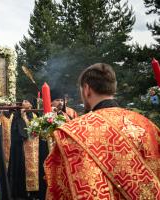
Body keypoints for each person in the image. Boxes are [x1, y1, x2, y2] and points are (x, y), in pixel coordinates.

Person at [44, 63, 160, 199]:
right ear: (112, 89)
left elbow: (59, 187)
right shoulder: (148, 126)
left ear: (86, 89)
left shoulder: (72, 132)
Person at [8, 97, 48, 200]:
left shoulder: (35, 115)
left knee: (36, 170)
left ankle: (35, 193)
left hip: (35, 149)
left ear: (31, 105)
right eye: (23, 101)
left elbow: (38, 132)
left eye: (26, 101)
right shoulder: (16, 115)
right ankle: (23, 193)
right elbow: (17, 132)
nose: (23, 102)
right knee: (22, 170)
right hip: (22, 148)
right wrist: (21, 117)